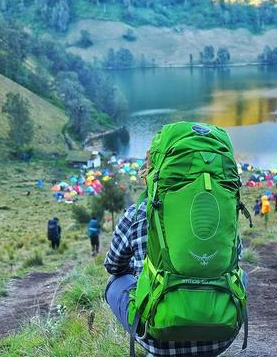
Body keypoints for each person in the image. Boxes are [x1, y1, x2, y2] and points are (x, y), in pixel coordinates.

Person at [104, 124, 248, 357]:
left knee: (114, 282)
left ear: (152, 174)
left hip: (159, 334)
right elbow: (236, 257)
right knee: (243, 275)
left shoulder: (137, 214)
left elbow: (113, 265)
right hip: (221, 331)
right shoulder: (221, 212)